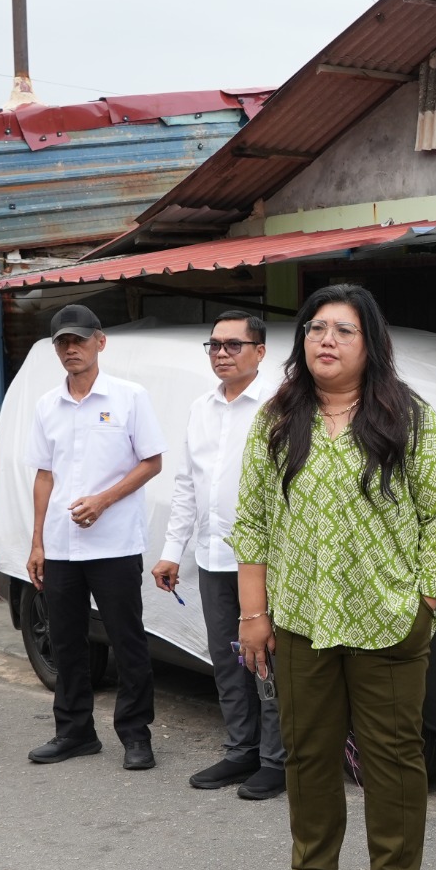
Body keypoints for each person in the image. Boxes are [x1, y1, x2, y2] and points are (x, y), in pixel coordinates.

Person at [234, 285, 436, 870]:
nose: (325, 340)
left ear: (371, 344)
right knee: (306, 750)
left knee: (393, 754)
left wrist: (422, 599)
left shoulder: (408, 418)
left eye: (342, 330)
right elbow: (251, 520)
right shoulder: (277, 419)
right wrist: (255, 614)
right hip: (302, 617)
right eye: (314, 329)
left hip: (387, 618)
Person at [24, 304, 165, 770]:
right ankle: (74, 732)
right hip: (62, 546)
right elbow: (44, 475)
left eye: (78, 340)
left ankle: (135, 735)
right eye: (62, 342)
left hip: (116, 544)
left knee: (127, 641)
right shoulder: (47, 405)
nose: (71, 349)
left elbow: (151, 462)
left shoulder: (129, 397)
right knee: (66, 641)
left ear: (99, 342)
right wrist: (37, 542)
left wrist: (104, 500)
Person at [155, 312, 285, 801]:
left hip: (268, 561)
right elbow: (187, 484)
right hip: (212, 557)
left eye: (234, 344)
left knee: (265, 660)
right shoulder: (201, 408)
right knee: (227, 659)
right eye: (214, 345)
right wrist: (172, 552)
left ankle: (277, 760)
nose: (222, 353)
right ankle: (240, 749)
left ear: (260, 351)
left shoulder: (279, 407)